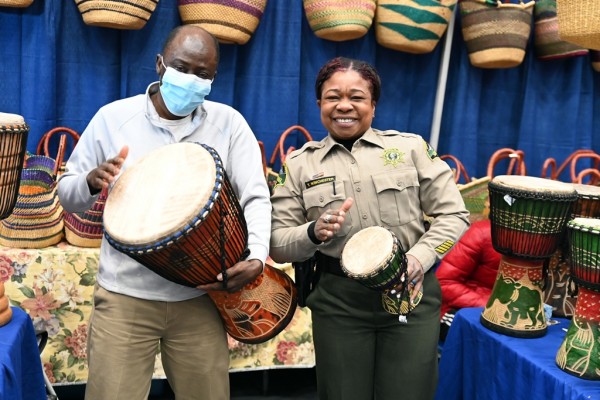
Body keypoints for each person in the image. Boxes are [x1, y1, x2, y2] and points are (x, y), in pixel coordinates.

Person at [57, 25, 271, 400]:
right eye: (182, 67)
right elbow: (68, 196)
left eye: (203, 74)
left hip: (200, 298)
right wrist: (91, 181)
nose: (191, 80)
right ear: (160, 65)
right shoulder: (112, 119)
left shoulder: (230, 124)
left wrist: (255, 255)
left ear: (213, 79)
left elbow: (255, 196)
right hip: (126, 298)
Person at [269, 57, 470, 400]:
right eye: (333, 97)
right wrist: (313, 232)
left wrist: (418, 259)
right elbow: (277, 242)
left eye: (357, 97)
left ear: (373, 105)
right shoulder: (300, 164)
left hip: (412, 294)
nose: (344, 105)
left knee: (409, 393)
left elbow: (455, 215)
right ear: (319, 104)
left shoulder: (410, 149)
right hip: (339, 303)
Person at [435, 219, 501, 341]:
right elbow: (444, 282)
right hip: (461, 309)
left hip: (507, 314)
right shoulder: (482, 232)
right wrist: (491, 306)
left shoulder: (537, 241)